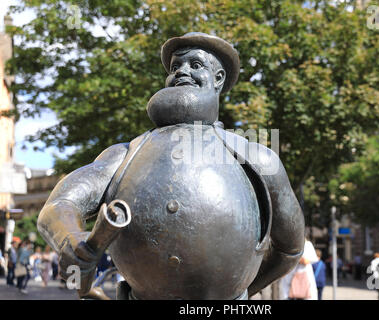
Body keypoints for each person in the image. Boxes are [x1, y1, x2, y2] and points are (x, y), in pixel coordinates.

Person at [37, 32, 305, 300]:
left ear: (218, 79)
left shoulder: (257, 158)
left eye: (195, 65)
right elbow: (59, 204)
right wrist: (70, 239)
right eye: (175, 67)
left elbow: (290, 250)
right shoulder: (126, 153)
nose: (181, 72)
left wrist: (238, 291)